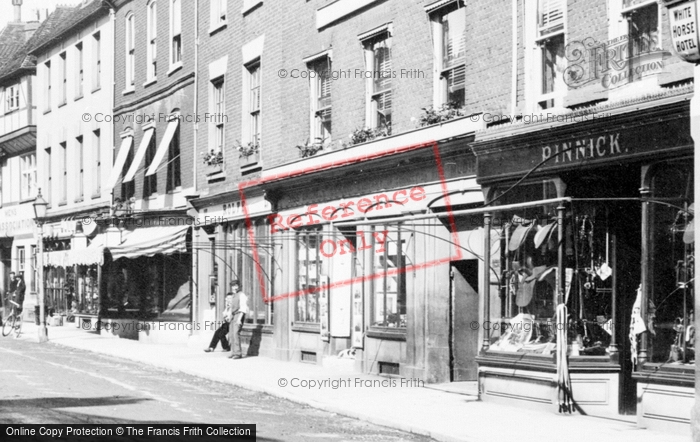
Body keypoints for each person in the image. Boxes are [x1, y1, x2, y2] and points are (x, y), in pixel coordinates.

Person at [227, 280, 249, 359]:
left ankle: (238, 353)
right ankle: (233, 352)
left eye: (236, 286)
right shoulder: (234, 295)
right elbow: (231, 307)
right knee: (231, 334)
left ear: (239, 286)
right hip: (233, 315)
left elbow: (243, 308)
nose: (234, 287)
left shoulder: (241, 295)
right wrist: (229, 315)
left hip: (239, 315)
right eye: (233, 286)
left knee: (236, 333)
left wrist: (239, 319)